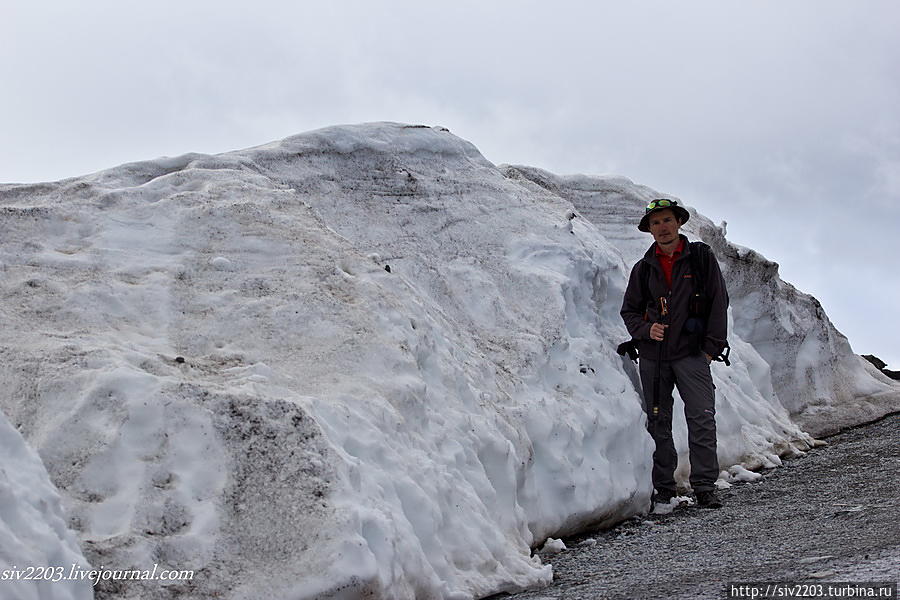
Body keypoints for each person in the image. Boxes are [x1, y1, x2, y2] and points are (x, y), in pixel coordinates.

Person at [620, 198, 729, 510]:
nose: (662, 228)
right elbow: (629, 311)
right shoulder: (643, 269)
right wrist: (645, 330)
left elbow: (718, 302)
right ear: (649, 230)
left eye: (667, 220)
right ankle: (663, 488)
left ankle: (705, 486)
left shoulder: (699, 257)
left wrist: (711, 349)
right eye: (655, 223)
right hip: (654, 357)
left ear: (679, 222)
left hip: (692, 353)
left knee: (702, 418)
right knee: (658, 420)